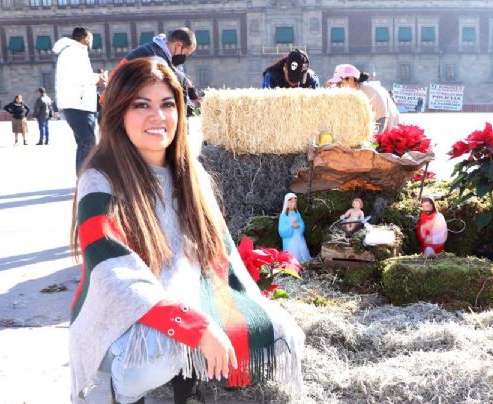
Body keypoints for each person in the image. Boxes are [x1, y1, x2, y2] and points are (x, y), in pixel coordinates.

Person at [69, 59, 304, 404]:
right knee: (163, 354)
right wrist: (195, 326)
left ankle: (189, 379)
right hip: (123, 315)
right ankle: (116, 391)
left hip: (185, 295)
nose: (158, 117)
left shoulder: (191, 174)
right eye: (141, 105)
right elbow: (113, 271)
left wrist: (233, 309)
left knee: (280, 331)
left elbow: (218, 252)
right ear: (118, 113)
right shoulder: (100, 179)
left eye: (167, 104)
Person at [106, 28, 197, 117]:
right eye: (185, 53)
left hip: (118, 98)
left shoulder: (155, 49)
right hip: (118, 102)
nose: (184, 57)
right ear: (178, 45)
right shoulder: (156, 56)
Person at [53, 27, 105, 173]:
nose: (91, 43)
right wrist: (98, 78)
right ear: (86, 39)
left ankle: (82, 177)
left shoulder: (69, 51)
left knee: (84, 143)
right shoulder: (75, 51)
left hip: (75, 103)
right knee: (88, 143)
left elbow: (76, 76)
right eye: (91, 40)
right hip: (79, 104)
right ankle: (85, 178)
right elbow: (80, 77)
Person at [329, 64, 400, 133]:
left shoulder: (371, 92)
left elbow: (381, 121)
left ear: (351, 79)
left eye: (340, 83)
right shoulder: (347, 94)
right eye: (336, 84)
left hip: (390, 130)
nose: (338, 87)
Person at [278, 193, 311, 263]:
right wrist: (291, 226)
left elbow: (302, 223)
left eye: (295, 202)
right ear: (287, 202)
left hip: (298, 237)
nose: (293, 204)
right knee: (292, 253)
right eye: (291, 202)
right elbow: (281, 230)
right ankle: (292, 263)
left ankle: (303, 263)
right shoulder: (283, 215)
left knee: (301, 250)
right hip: (290, 239)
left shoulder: (297, 213)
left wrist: (299, 225)